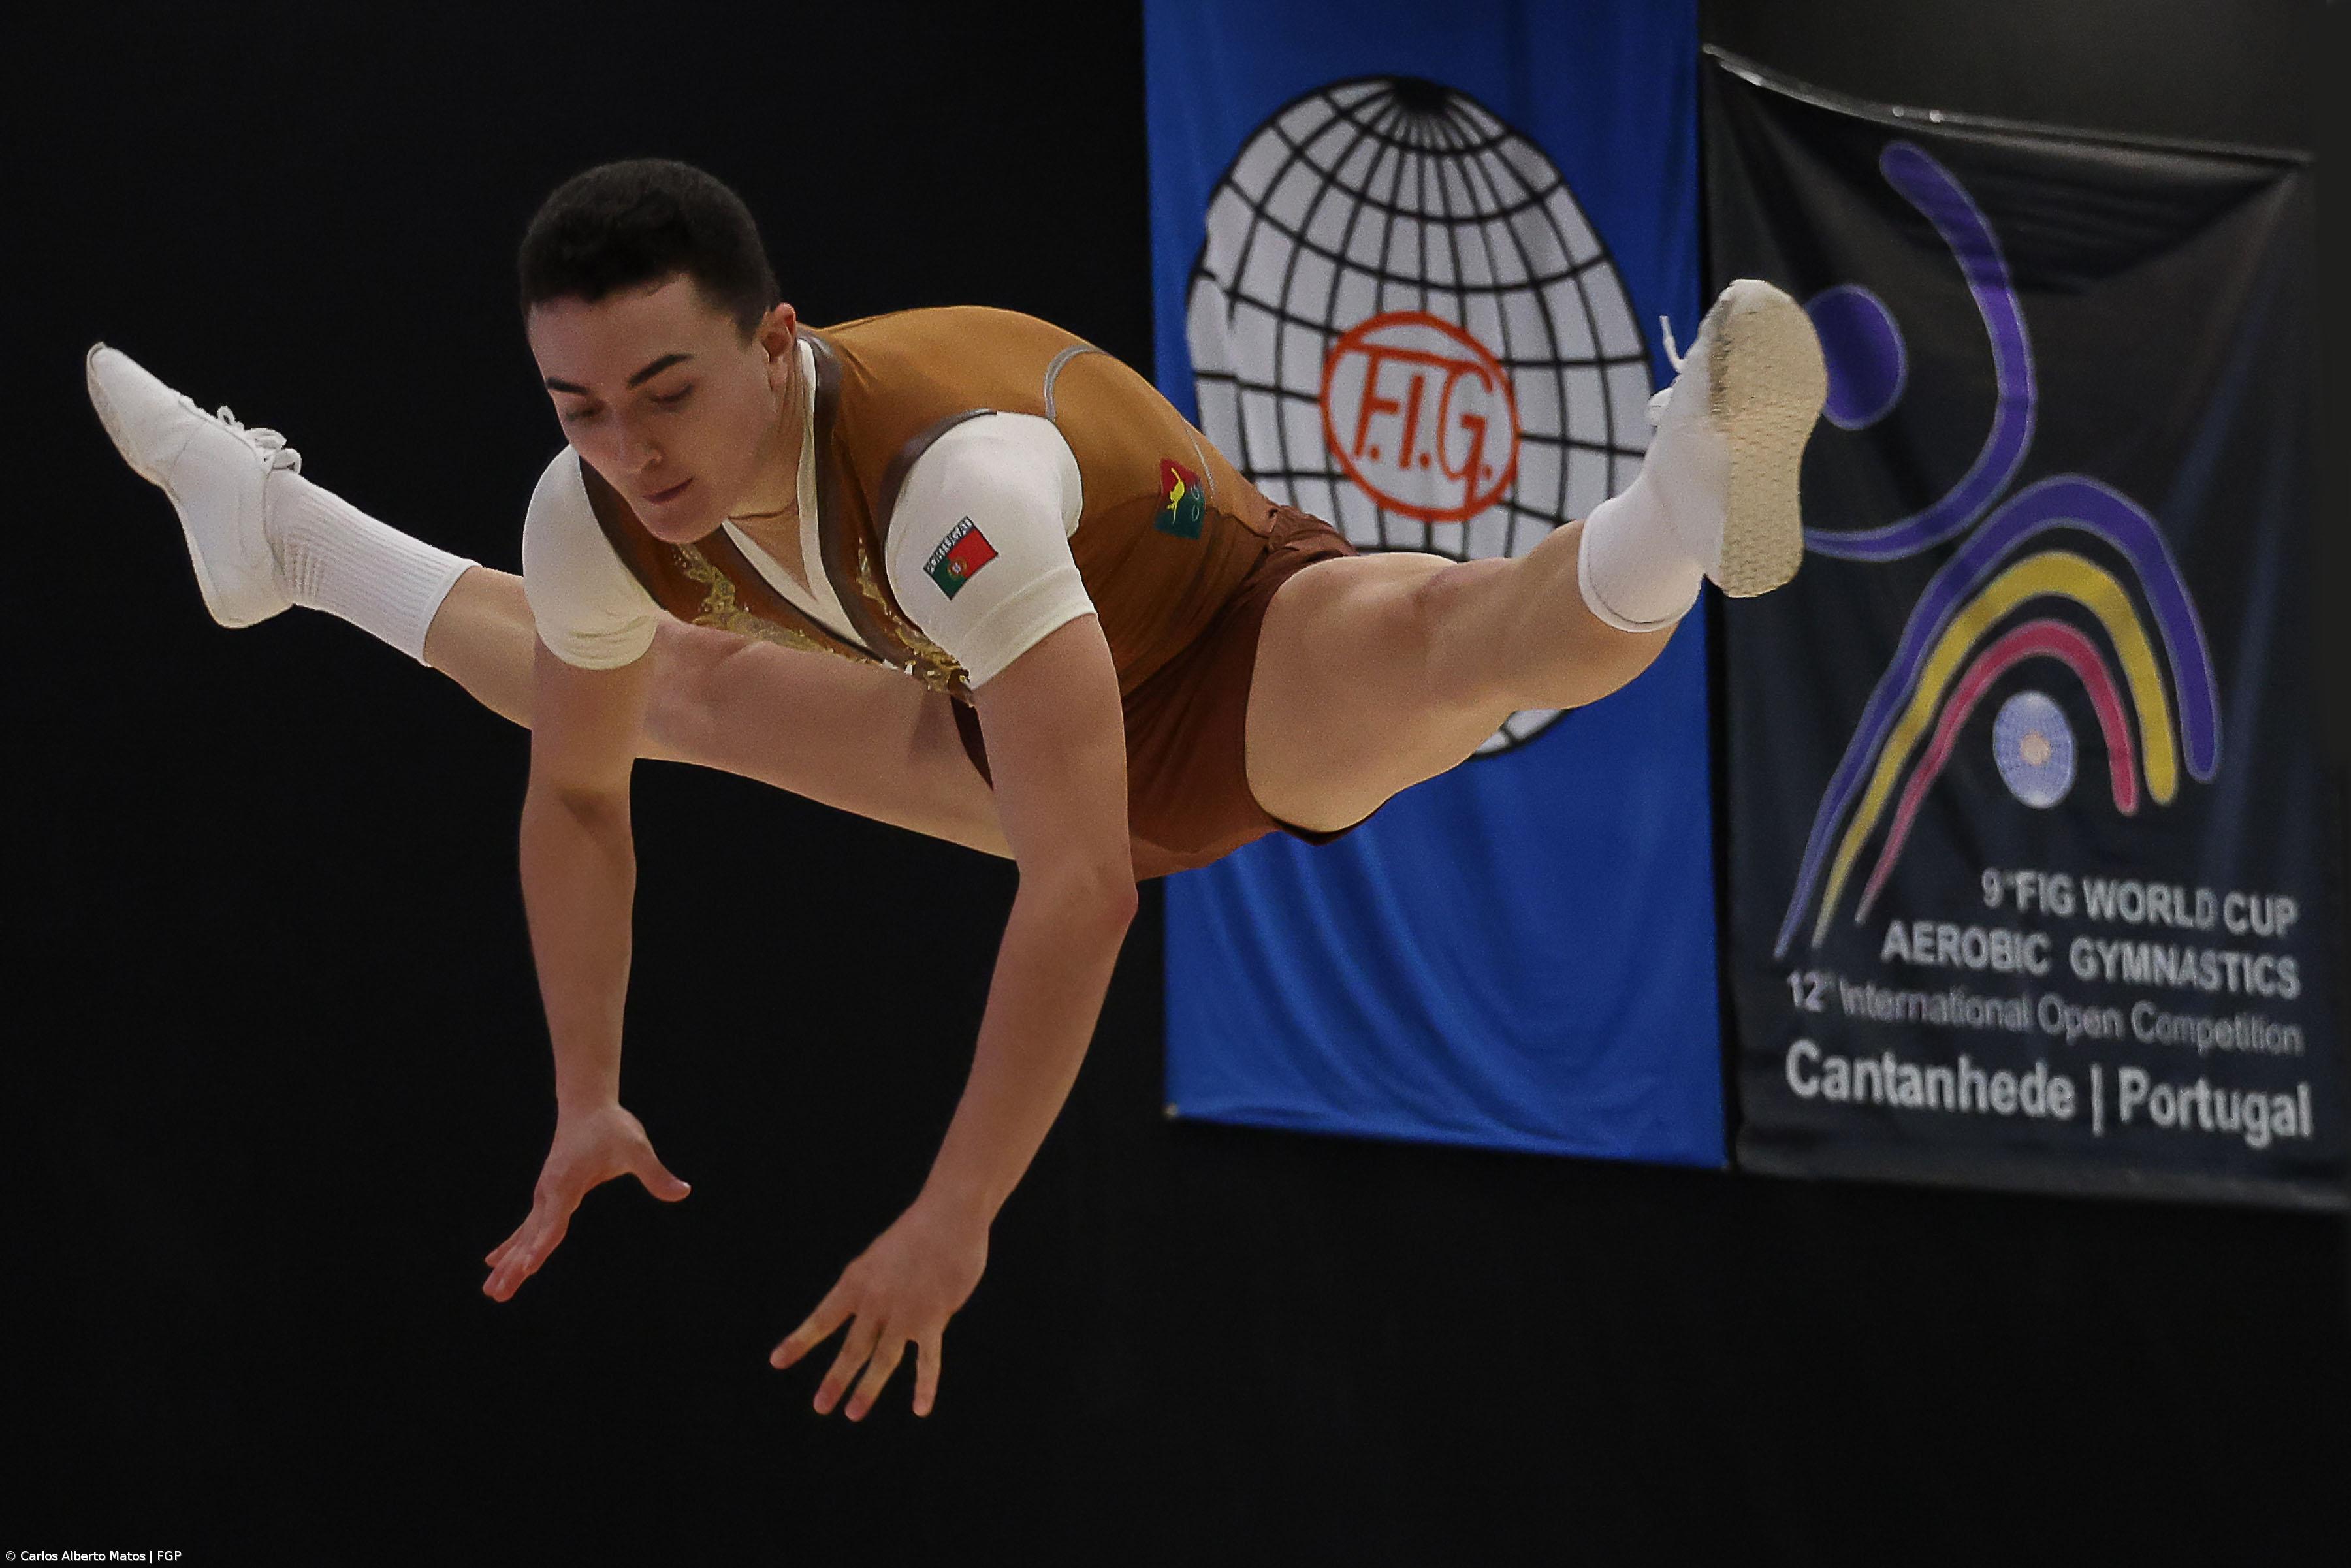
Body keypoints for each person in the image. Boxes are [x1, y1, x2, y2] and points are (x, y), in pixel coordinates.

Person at [84, 158, 1826, 1423]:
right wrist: (587, 1089)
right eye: (584, 407)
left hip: (1215, 668)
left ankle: (1682, 491)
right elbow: (583, 791)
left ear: (774, 342)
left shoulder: (947, 485)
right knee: (632, 673)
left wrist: (954, 1214)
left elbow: (1082, 890)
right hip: (990, 698)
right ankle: (277, 530)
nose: (636, 451)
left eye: (668, 392)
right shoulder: (598, 507)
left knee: (1453, 646)